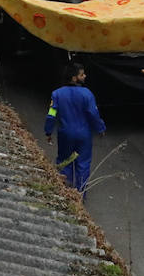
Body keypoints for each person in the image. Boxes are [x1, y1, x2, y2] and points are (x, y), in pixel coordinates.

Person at [44, 62, 106, 194]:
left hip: (65, 134)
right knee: (83, 164)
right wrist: (100, 128)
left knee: (64, 162)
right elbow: (93, 114)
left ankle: (64, 192)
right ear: (74, 78)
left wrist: (48, 131)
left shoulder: (57, 94)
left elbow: (51, 114)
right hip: (84, 135)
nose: (85, 76)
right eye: (82, 74)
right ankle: (80, 195)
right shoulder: (87, 94)